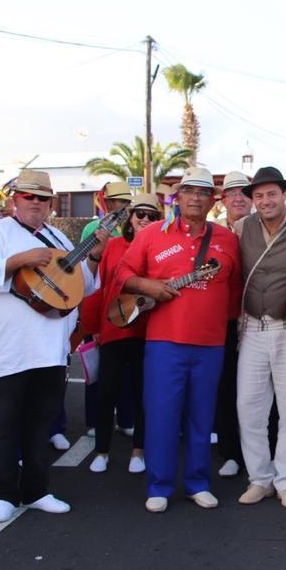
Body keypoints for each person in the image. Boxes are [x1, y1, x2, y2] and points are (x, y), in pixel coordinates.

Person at [0, 169, 104, 523]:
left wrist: (93, 257)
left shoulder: (58, 236)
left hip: (50, 351)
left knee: (40, 424)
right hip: (9, 351)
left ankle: (37, 489)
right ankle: (4, 495)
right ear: (14, 200)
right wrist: (19, 261)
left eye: (43, 199)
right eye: (29, 197)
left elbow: (82, 286)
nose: (36, 204)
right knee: (4, 424)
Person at [119, 167, 242, 512]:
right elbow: (122, 274)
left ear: (212, 200)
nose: (196, 198)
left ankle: (197, 482)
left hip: (211, 342)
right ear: (177, 196)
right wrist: (148, 286)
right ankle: (159, 485)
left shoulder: (227, 238)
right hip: (164, 341)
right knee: (162, 414)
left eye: (203, 193)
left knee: (202, 416)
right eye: (189, 191)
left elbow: (233, 291)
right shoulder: (152, 234)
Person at [234, 167, 286, 509]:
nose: (265, 201)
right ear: (252, 199)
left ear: (285, 195)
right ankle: (259, 479)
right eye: (259, 195)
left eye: (271, 194)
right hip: (252, 327)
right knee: (248, 408)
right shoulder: (241, 228)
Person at [84, 192, 162, 475]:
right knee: (106, 393)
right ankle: (102, 451)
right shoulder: (114, 246)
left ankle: (138, 450)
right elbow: (95, 289)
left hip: (148, 332)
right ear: (129, 217)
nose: (144, 219)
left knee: (144, 393)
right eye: (139, 214)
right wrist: (92, 328)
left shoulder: (161, 249)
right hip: (112, 331)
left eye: (152, 216)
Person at [214, 171, 251, 477]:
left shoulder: (267, 230)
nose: (238, 197)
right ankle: (231, 452)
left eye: (244, 192)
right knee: (226, 388)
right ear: (223, 199)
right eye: (232, 192)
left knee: (263, 393)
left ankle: (263, 453)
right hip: (223, 322)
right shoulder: (213, 233)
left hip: (259, 321)